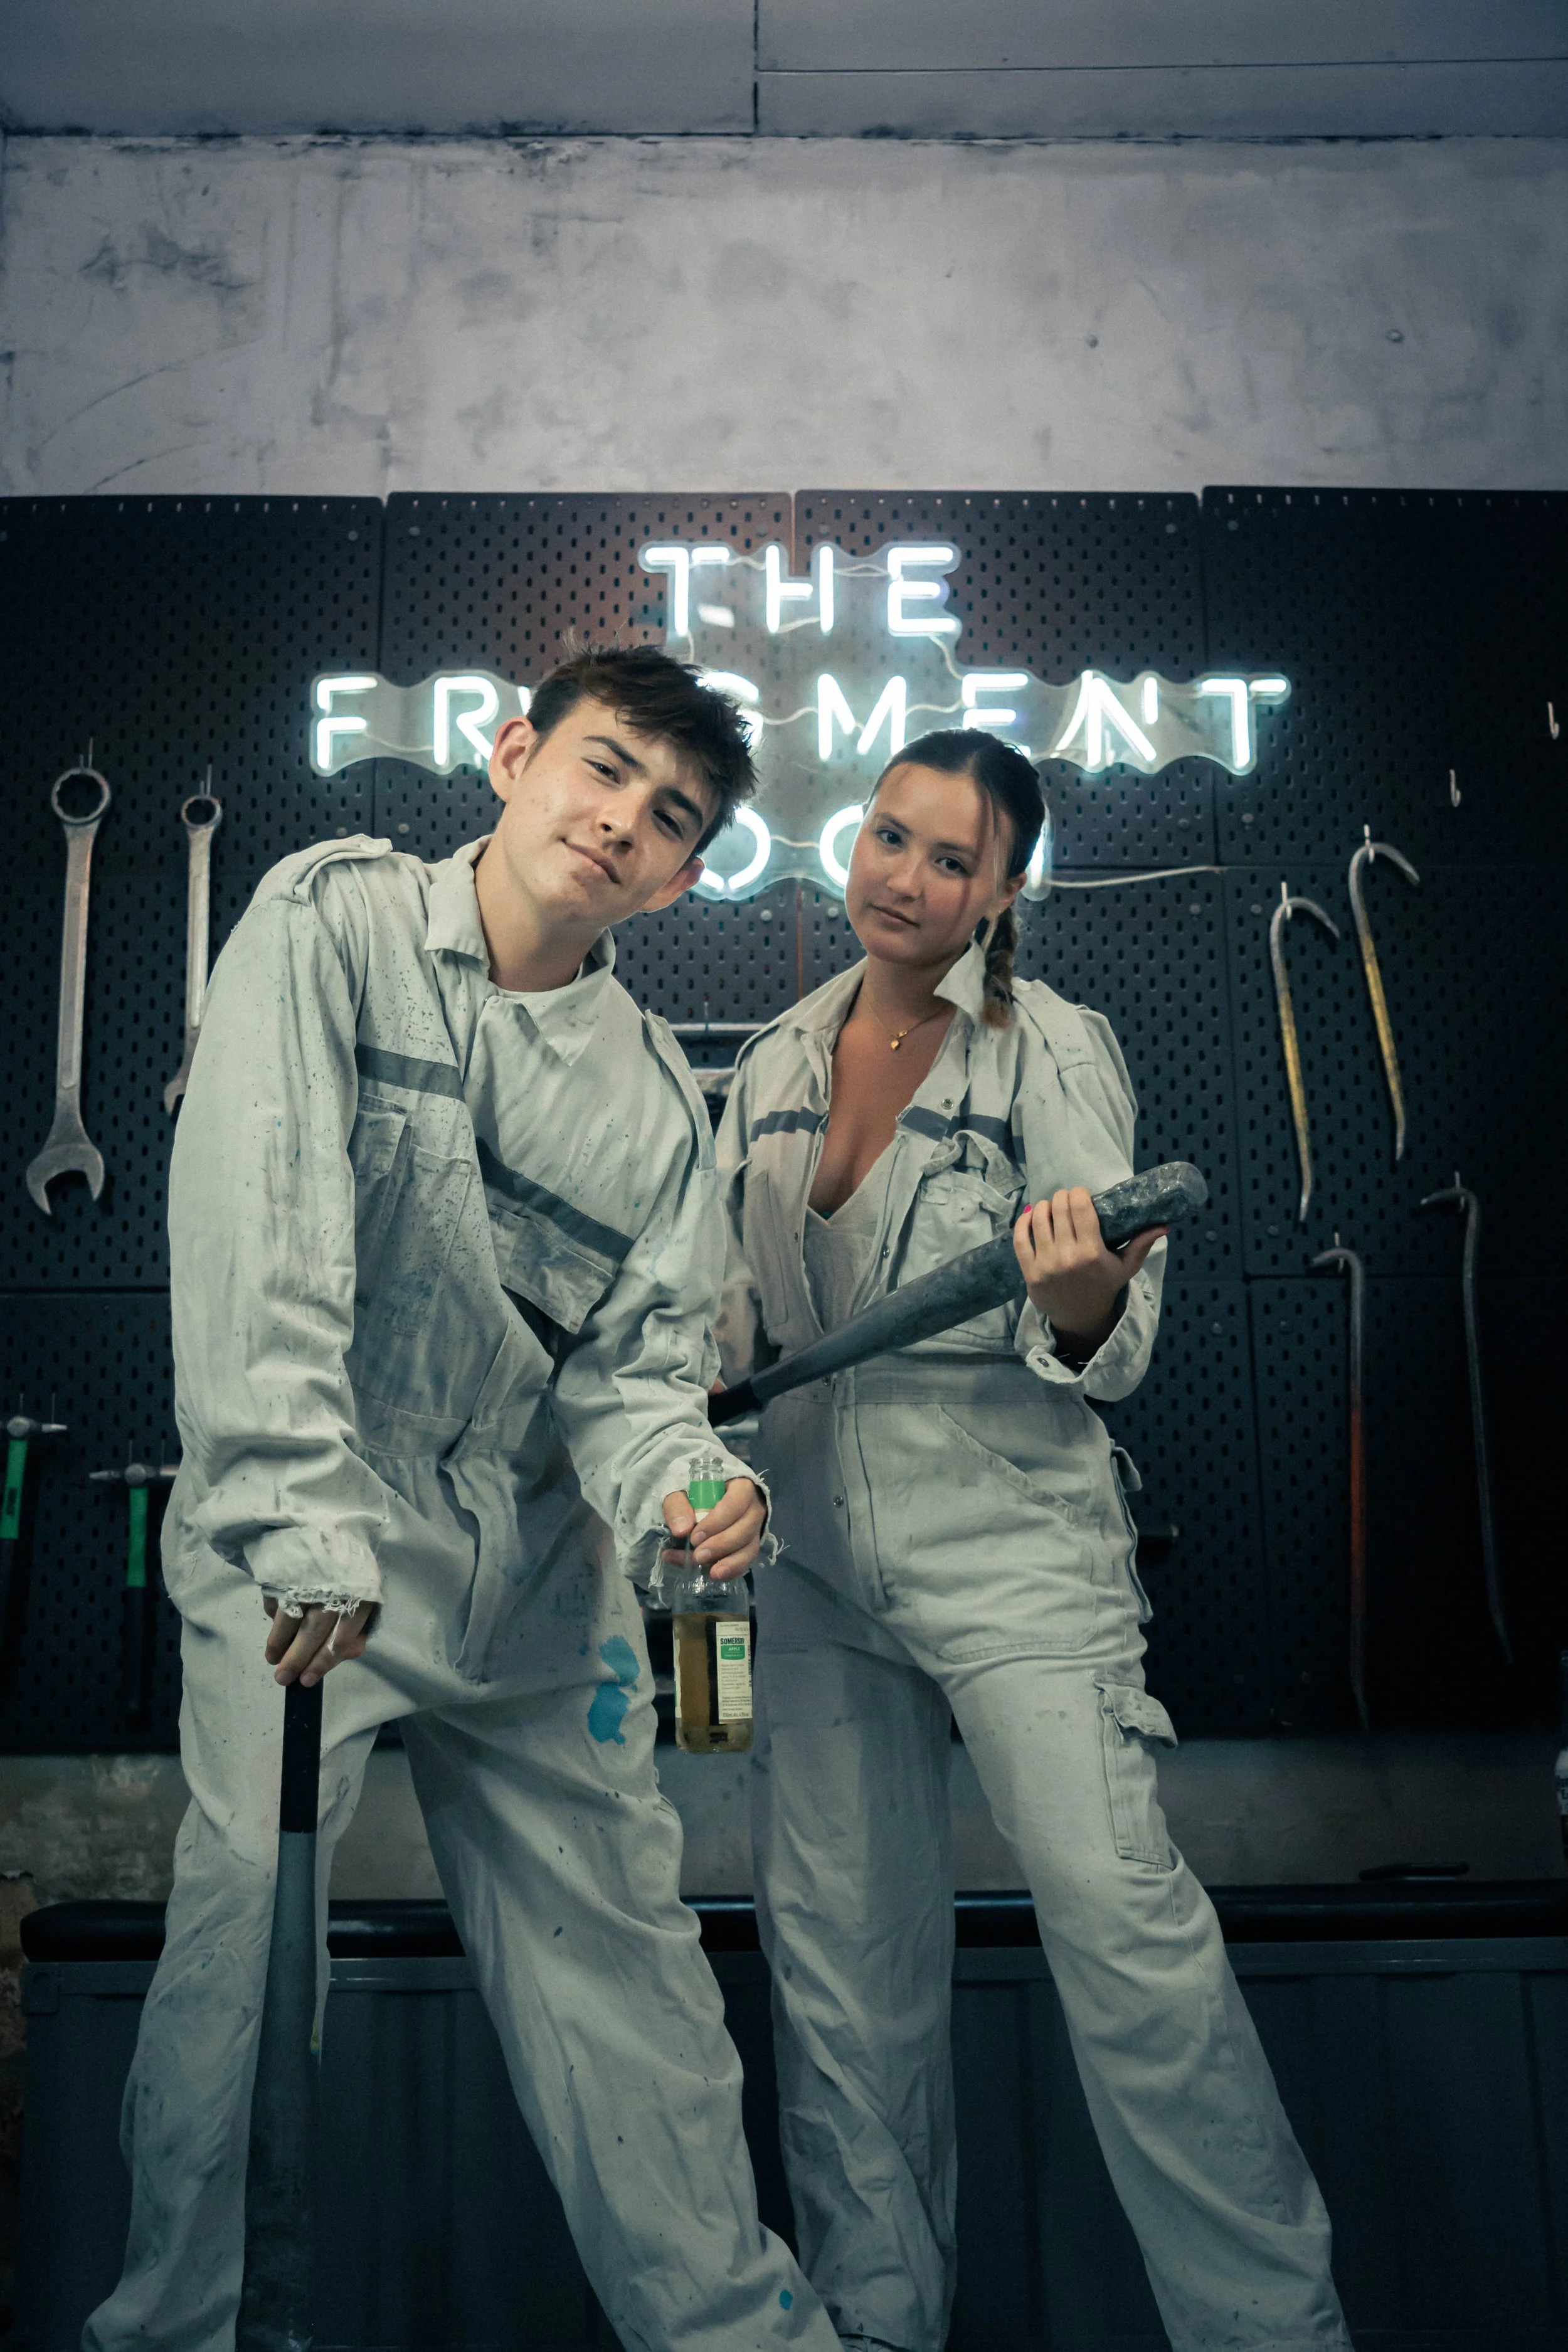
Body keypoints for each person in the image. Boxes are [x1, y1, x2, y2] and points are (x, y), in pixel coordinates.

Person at [87, 646, 840, 2352]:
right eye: (604, 767)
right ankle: (178, 2334)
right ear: (513, 757)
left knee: (635, 1986)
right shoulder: (333, 920)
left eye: (671, 816)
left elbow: (636, 1383)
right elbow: (261, 1217)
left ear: (683, 876)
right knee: (243, 1959)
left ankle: (743, 2336)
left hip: (530, 1588)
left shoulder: (658, 1106)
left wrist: (695, 1491)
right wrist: (298, 1508)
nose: (623, 820)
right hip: (309, 1546)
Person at [715, 731, 1353, 2352]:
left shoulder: (1049, 1050)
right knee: (840, 1978)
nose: (905, 879)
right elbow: (730, 1320)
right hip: (812, 1562)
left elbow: (1112, 1344)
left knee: (1129, 1947)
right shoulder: (775, 1059)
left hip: (1011, 1551)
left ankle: (1270, 2331)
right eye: (888, 837)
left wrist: (1078, 1295)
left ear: (1005, 891)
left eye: (952, 860)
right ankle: (876, 2320)